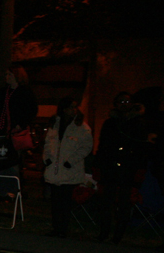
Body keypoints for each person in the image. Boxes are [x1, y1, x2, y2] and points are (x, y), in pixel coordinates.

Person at [94, 92, 153, 243]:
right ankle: (104, 232)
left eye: (127, 102)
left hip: (127, 169)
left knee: (124, 204)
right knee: (106, 202)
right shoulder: (110, 123)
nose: (124, 105)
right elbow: (103, 145)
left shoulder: (138, 123)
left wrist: (137, 167)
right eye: (121, 102)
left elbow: (142, 148)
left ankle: (118, 235)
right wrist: (100, 164)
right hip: (110, 168)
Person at [0, 66, 37, 197]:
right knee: (1, 161)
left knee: (12, 162)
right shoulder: (2, 92)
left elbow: (31, 111)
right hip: (0, 132)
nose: (6, 77)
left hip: (15, 134)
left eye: (9, 74)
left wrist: (21, 124)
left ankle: (13, 189)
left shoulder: (25, 92)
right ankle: (1, 189)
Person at [42, 97, 93, 238]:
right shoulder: (55, 124)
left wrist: (71, 161)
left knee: (65, 202)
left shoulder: (81, 127)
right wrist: (46, 158)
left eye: (75, 107)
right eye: (71, 107)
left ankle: (63, 229)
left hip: (69, 171)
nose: (74, 110)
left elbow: (86, 147)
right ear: (64, 109)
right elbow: (48, 143)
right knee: (55, 202)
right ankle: (56, 228)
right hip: (54, 170)